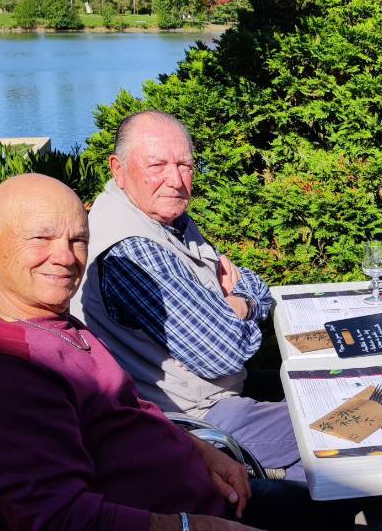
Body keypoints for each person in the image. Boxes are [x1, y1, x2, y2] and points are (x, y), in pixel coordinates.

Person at [0, 174, 349, 531]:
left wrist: (201, 451)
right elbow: (60, 519)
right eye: (42, 238)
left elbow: (129, 408)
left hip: (207, 495)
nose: (65, 257)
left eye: (78, 240)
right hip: (187, 519)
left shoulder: (49, 323)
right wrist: (194, 525)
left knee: (342, 494)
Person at [71, 110, 302, 480]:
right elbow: (222, 354)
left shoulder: (164, 220)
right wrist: (239, 306)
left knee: (327, 394)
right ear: (118, 168)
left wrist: (236, 305)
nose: (175, 180)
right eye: (157, 165)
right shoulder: (132, 250)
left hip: (215, 395)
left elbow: (255, 287)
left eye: (185, 165)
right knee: (345, 422)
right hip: (190, 422)